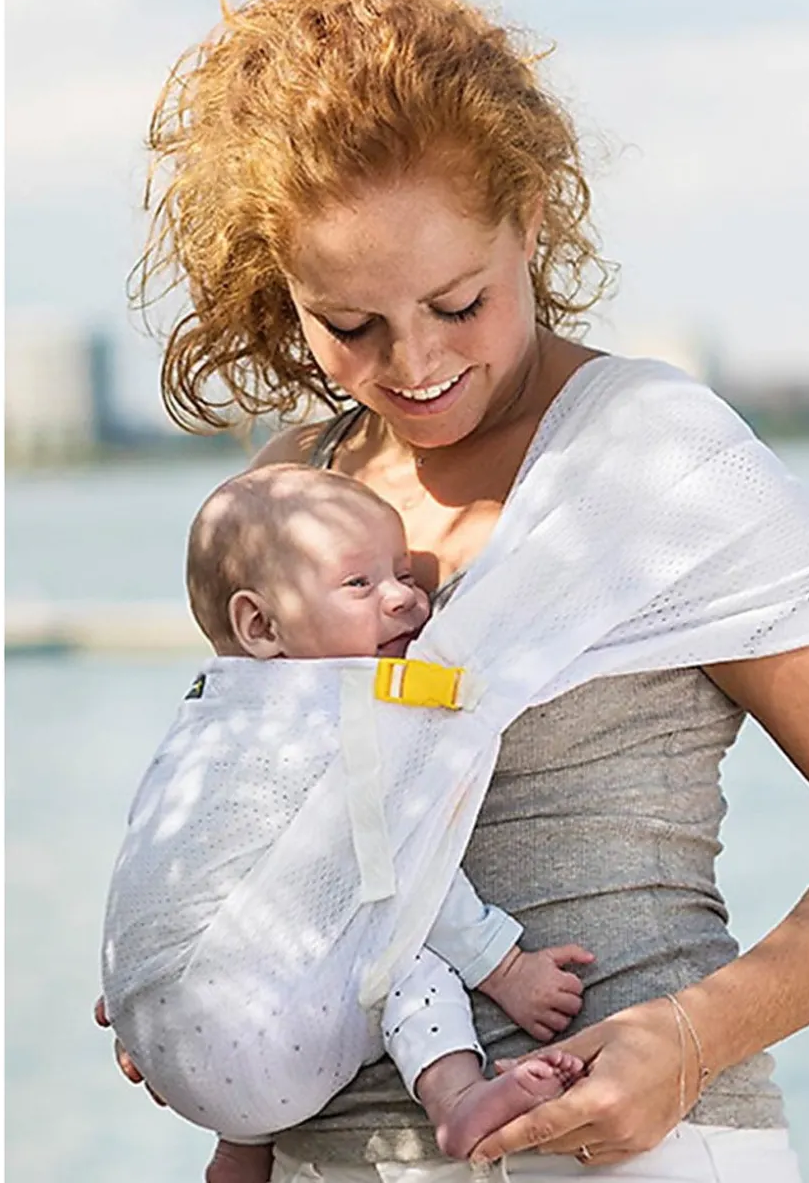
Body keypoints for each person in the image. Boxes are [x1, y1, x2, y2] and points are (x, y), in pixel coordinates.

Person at [98, 0, 809, 1180]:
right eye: (350, 325)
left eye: (459, 302)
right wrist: (185, 980)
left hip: (633, 1148)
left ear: (529, 219)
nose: (415, 364)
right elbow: (270, 821)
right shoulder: (293, 496)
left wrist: (688, 1038)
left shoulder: (655, 458)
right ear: (278, 286)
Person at [101, 462, 591, 1183]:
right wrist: (505, 968)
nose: (406, 599)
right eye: (360, 584)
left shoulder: (211, 715)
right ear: (261, 625)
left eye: (404, 573)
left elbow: (163, 853)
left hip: (154, 1029)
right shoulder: (348, 726)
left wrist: (149, 981)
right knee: (401, 956)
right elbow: (405, 866)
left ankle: (241, 1150)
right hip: (264, 1047)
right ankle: (457, 1099)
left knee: (284, 938)